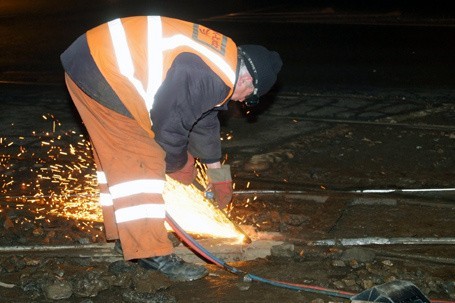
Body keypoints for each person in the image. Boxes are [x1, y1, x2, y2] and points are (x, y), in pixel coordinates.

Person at [61, 16, 282, 282]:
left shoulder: (223, 62)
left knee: (120, 159)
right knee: (143, 158)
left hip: (91, 60)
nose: (244, 102)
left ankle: (129, 236)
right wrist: (180, 165)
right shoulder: (206, 75)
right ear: (248, 81)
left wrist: (218, 174)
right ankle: (150, 252)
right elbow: (167, 131)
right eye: (250, 98)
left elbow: (205, 117)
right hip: (103, 69)